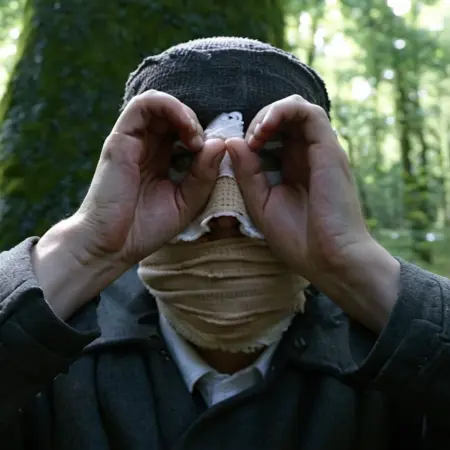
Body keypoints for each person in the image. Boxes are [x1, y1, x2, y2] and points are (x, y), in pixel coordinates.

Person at [1, 36, 449, 450]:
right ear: (132, 177)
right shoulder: (52, 353)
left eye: (270, 163)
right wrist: (85, 250)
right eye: (182, 161)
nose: (225, 216)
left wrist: (355, 267)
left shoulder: (390, 358)